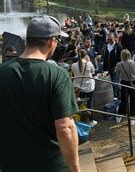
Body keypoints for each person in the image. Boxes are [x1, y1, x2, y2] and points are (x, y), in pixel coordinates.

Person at [0, 15, 80, 171]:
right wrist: (76, 169)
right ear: (51, 42)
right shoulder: (58, 75)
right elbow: (65, 128)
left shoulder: (2, 73)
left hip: (12, 165)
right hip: (51, 166)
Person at [71, 49, 97, 127]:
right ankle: (91, 120)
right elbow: (93, 71)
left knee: (80, 104)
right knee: (90, 103)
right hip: (89, 86)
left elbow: (73, 73)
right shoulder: (89, 64)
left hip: (78, 87)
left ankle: (81, 120)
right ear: (86, 56)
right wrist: (88, 61)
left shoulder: (73, 65)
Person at [115, 49, 135, 125]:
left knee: (124, 100)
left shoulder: (119, 64)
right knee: (134, 100)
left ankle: (120, 115)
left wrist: (122, 76)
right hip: (134, 82)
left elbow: (117, 74)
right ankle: (132, 118)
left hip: (124, 82)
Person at [102, 33, 123, 99]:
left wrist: (119, 67)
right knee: (110, 83)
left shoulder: (118, 46)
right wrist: (104, 68)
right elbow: (104, 58)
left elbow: (121, 58)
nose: (109, 41)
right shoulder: (105, 46)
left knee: (117, 83)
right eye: (108, 39)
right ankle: (114, 95)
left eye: (110, 39)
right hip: (108, 68)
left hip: (115, 67)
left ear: (114, 38)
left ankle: (119, 96)